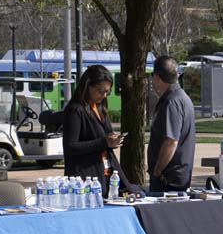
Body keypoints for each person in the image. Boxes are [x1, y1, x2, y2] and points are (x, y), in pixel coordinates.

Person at [63, 65, 132, 196]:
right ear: (87, 86)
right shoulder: (75, 110)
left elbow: (104, 140)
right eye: (100, 91)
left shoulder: (100, 107)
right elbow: (70, 146)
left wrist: (113, 140)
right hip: (86, 179)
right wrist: (104, 142)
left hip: (106, 175)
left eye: (107, 92)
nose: (104, 95)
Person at [147, 55, 196, 193]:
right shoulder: (182, 97)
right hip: (176, 176)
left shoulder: (171, 102)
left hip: (168, 179)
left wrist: (157, 171)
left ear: (156, 76)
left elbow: (171, 142)